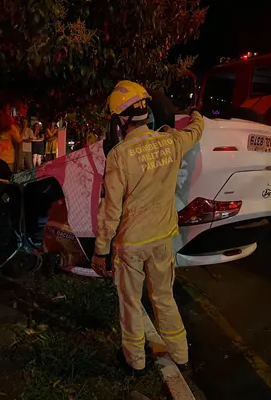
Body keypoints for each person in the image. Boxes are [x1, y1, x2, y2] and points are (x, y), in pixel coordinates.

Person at [90, 80, 205, 374]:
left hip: (131, 245)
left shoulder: (119, 156)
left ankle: (135, 361)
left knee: (130, 302)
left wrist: (100, 250)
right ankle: (180, 354)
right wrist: (197, 115)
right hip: (162, 240)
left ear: (120, 119)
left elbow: (110, 210)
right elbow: (195, 132)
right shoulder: (171, 141)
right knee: (164, 297)